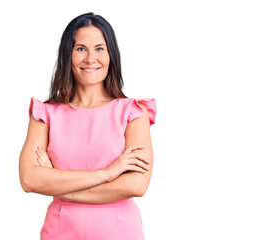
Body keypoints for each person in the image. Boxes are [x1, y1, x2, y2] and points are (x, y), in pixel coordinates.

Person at [19, 12, 156, 240]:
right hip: (60, 232)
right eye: (80, 48)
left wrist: (55, 182)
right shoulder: (45, 114)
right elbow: (29, 180)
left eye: (100, 48)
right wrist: (108, 174)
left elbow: (136, 185)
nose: (91, 58)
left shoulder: (134, 113)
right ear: (67, 55)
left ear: (111, 54)